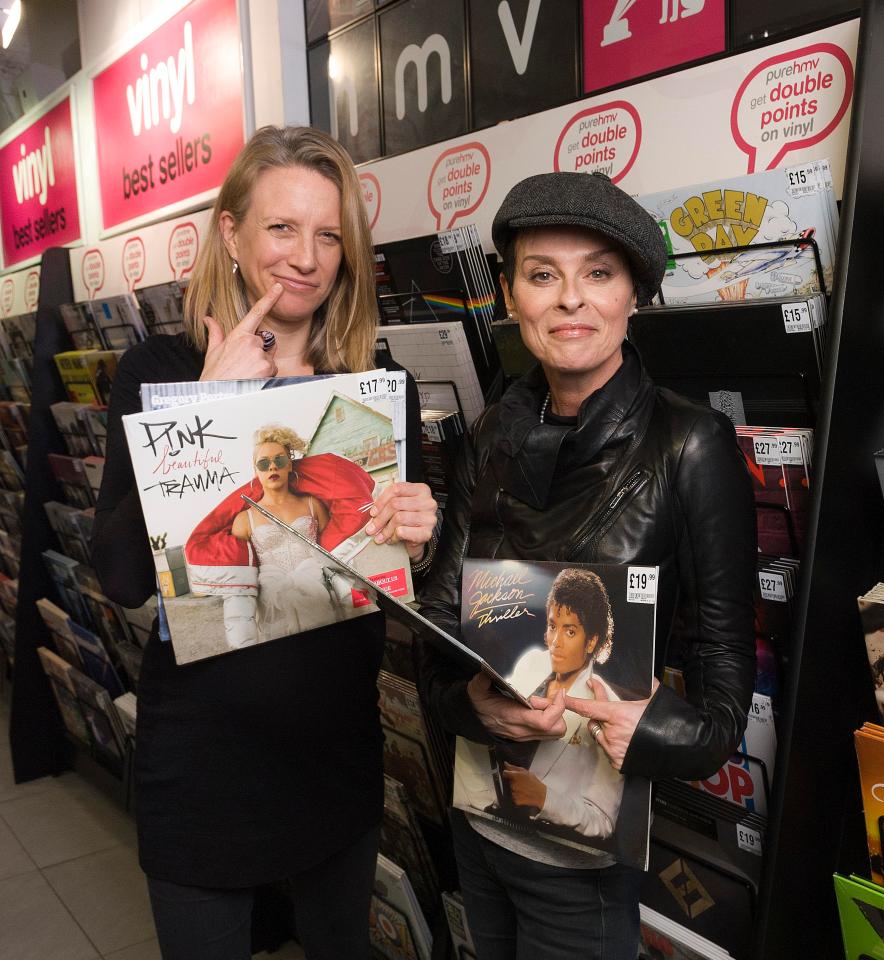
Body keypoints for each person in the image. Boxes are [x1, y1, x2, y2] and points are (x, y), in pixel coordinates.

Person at [92, 126, 437, 960]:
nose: (307, 257)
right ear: (232, 233)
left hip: (332, 756)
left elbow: (387, 575)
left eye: (329, 235)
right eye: (282, 228)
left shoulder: (375, 388)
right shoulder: (158, 370)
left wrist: (419, 539)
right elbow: (123, 577)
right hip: (205, 768)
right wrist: (199, 417)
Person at [417, 170, 756, 959]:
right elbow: (439, 633)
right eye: (543, 275)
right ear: (510, 295)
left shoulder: (690, 445)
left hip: (583, 851)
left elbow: (722, 685)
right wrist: (474, 703)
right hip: (479, 815)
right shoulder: (491, 432)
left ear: (633, 293)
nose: (571, 299)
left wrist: (653, 729)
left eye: (598, 273)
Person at [455, 567, 623, 843]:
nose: (555, 642)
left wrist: (545, 799)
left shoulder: (609, 710)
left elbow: (602, 822)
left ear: (592, 640)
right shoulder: (533, 661)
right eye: (552, 625)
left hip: (550, 851)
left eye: (569, 631)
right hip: (481, 821)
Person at [185, 424, 376, 647]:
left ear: (289, 464)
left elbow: (331, 556)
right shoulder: (243, 519)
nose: (272, 467)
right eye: (264, 463)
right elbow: (243, 573)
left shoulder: (312, 505)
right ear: (255, 469)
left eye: (280, 460)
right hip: (272, 609)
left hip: (320, 599)